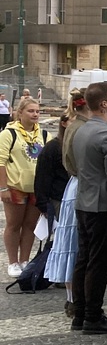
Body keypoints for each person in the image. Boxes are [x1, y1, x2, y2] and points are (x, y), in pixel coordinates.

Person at [71, 83, 107, 332]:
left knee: (84, 258)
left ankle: (80, 311)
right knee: (99, 262)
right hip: (100, 205)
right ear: (103, 104)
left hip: (83, 201)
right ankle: (92, 314)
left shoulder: (81, 129)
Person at [1, 96, 49, 276]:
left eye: (37, 111)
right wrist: (3, 187)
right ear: (20, 113)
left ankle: (24, 260)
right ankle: (13, 261)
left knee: (30, 225)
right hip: (15, 186)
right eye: (30, 111)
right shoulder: (8, 134)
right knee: (14, 224)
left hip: (36, 188)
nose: (35, 114)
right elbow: (1, 161)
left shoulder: (44, 134)